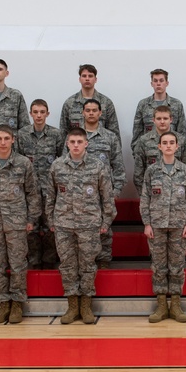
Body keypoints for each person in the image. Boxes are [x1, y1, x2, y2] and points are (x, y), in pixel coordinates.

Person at [46, 128, 116, 325]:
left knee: (87, 265)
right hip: (63, 224)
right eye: (72, 141)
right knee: (67, 266)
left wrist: (105, 222)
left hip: (89, 225)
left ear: (87, 144)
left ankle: (85, 305)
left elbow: (107, 197)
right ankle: (72, 305)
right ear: (67, 143)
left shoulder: (97, 166)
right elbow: (50, 196)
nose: (76, 145)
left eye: (79, 141)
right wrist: (51, 221)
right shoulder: (57, 166)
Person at [0, 125, 42, 325]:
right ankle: (3, 302)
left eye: (6, 138)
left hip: (17, 222)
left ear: (13, 140)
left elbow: (33, 192)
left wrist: (31, 219)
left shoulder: (23, 163)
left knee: (18, 264)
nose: (3, 142)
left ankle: (17, 303)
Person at [140, 131, 186, 323]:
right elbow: (145, 199)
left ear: (177, 146)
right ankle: (161, 306)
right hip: (156, 225)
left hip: (178, 225)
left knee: (176, 265)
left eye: (171, 142)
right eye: (164, 142)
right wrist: (147, 223)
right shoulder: (151, 171)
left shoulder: (185, 171)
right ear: (159, 146)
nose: (167, 145)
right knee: (158, 266)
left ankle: (175, 305)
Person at [77, 98, 125, 269]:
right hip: (79, 193)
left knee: (104, 229)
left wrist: (116, 190)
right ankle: (85, 264)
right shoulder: (75, 137)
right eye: (87, 110)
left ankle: (104, 262)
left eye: (94, 110)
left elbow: (118, 166)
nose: (91, 113)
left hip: (104, 192)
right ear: (83, 113)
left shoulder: (110, 137)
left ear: (100, 113)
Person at [16, 99, 63, 268]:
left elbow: (62, 161)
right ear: (30, 114)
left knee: (51, 225)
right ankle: (34, 260)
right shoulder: (21, 135)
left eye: (42, 112)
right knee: (31, 228)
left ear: (47, 114)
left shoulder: (56, 135)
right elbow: (17, 162)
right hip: (29, 191)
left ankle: (50, 259)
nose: (39, 115)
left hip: (50, 190)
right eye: (35, 112)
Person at [133, 105, 186, 196]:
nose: (162, 121)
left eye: (165, 118)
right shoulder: (144, 141)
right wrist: (144, 195)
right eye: (159, 118)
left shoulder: (181, 140)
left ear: (171, 119)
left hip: (177, 195)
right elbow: (138, 172)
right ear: (153, 120)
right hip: (153, 194)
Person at [131, 68, 186, 151]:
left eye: (161, 80)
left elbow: (182, 132)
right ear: (151, 83)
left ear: (167, 83)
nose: (158, 84)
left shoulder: (177, 105)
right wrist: (137, 153)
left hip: (171, 154)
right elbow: (137, 132)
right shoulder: (143, 104)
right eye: (155, 81)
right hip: (149, 153)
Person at [60, 63, 120, 137]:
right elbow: (64, 132)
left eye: (90, 76)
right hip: (76, 146)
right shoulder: (70, 103)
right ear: (79, 79)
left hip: (100, 147)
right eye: (84, 76)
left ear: (95, 79)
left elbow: (114, 132)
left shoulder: (106, 103)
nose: (87, 78)